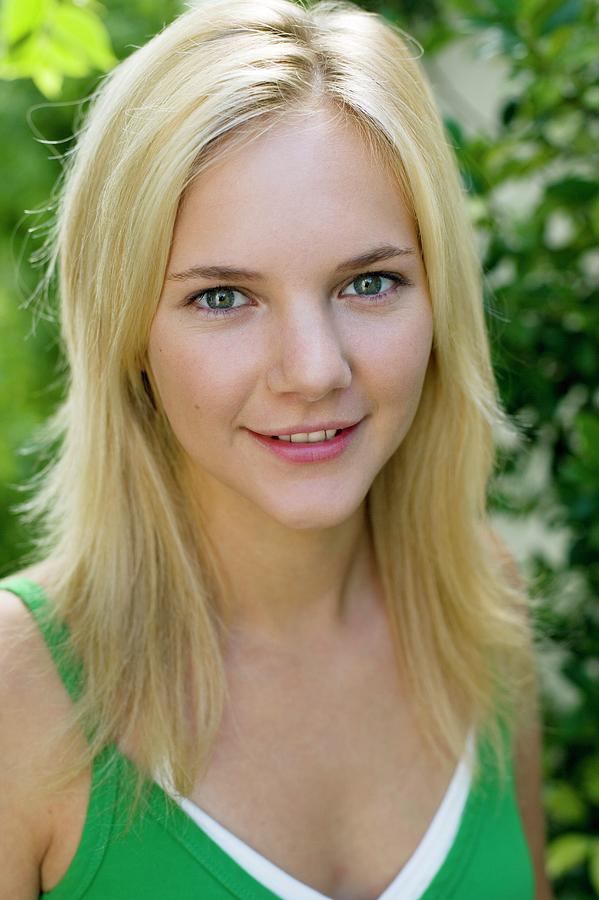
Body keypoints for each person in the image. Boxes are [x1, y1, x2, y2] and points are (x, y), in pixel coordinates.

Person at [0, 0, 554, 897]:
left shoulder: (480, 612)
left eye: (368, 283)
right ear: (125, 333)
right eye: (223, 297)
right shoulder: (15, 694)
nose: (314, 369)